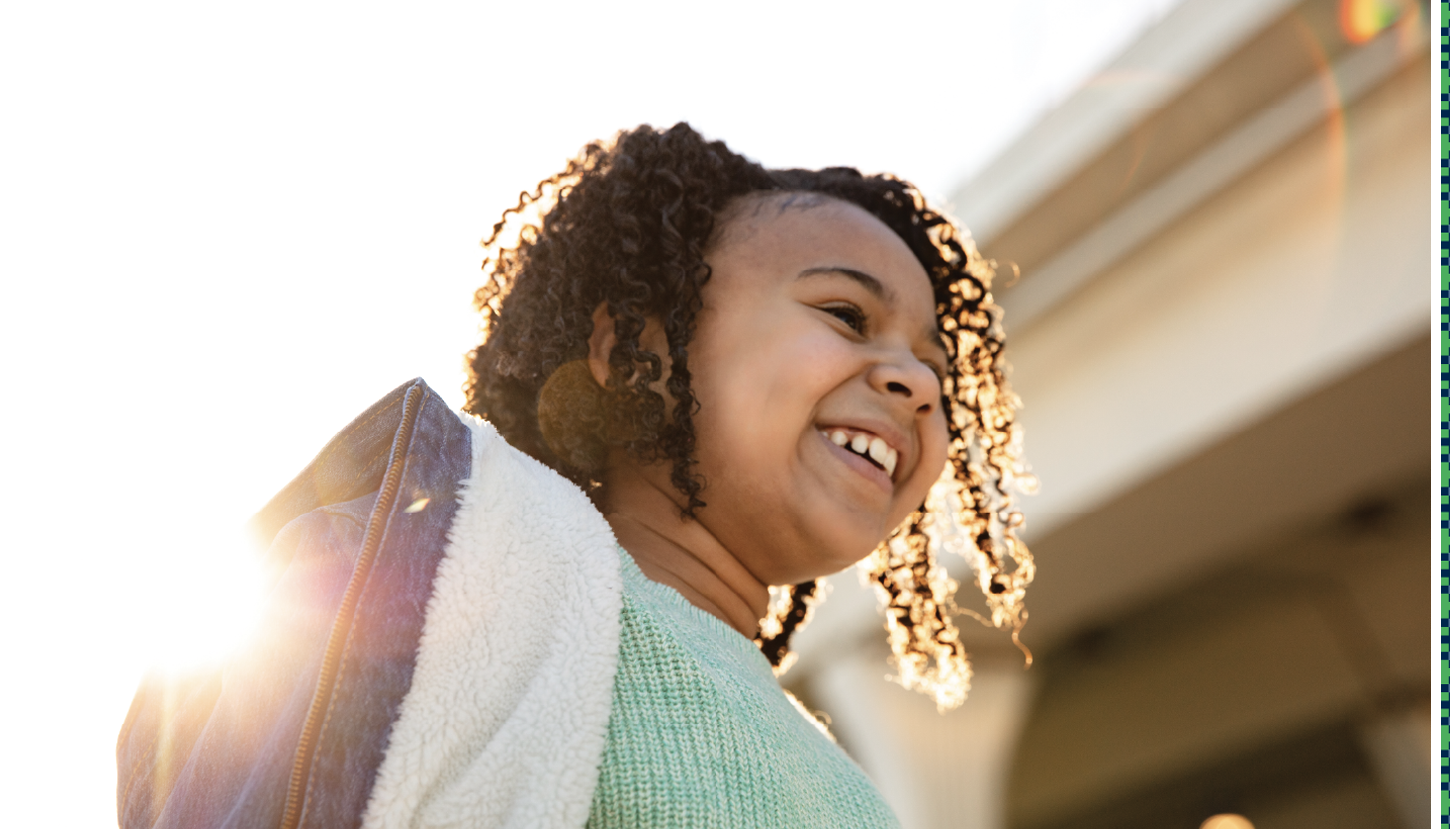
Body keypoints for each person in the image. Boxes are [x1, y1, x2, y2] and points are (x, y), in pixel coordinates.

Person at [116, 123, 1035, 829]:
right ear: (634, 346)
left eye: (936, 372)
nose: (916, 385)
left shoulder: (828, 766)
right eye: (845, 313)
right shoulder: (467, 601)